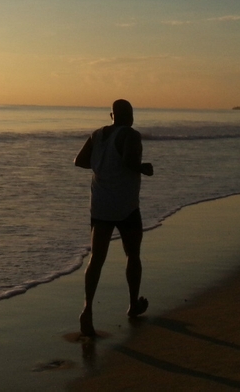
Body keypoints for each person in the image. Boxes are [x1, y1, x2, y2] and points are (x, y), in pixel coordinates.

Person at [74, 99, 153, 338]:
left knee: (97, 259)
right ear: (128, 115)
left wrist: (103, 167)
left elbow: (80, 161)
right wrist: (143, 168)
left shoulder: (97, 135)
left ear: (112, 115)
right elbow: (129, 161)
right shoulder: (131, 134)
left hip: (100, 206)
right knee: (132, 254)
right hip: (126, 206)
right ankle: (133, 303)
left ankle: (87, 309)